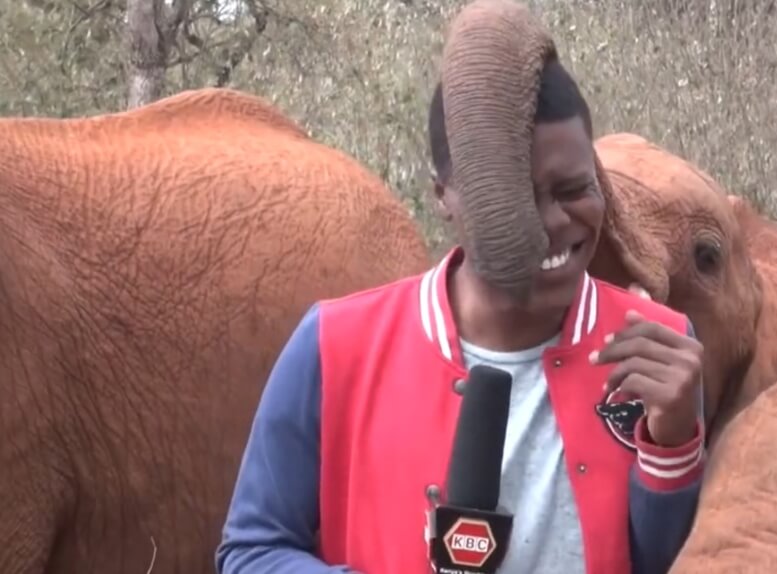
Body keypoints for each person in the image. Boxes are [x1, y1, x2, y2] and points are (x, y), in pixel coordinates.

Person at [215, 15, 706, 574]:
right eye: (515, 198)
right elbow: (251, 550)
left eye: (574, 190)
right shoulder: (334, 346)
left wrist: (673, 445)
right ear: (443, 195)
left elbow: (671, 561)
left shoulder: (661, 348)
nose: (549, 223)